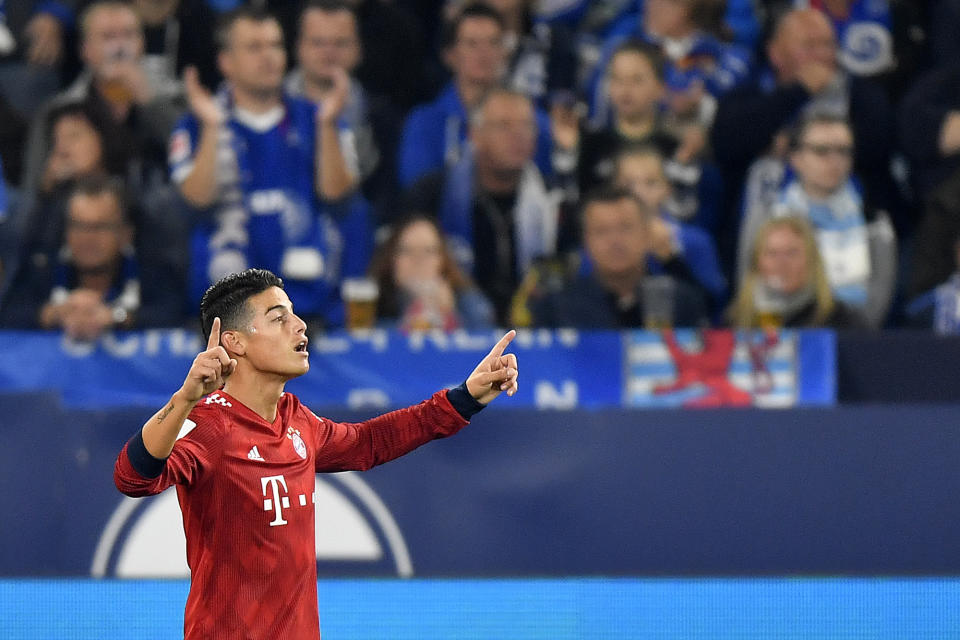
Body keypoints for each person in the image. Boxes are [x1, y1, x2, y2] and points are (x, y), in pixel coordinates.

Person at [113, 267, 519, 639]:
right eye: (278, 318)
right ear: (234, 341)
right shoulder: (208, 425)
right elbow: (132, 478)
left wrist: (465, 399)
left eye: (293, 314)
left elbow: (369, 442)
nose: (299, 325)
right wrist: (184, 398)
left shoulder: (297, 420)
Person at [169, 6, 365, 327]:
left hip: (306, 308)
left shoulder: (319, 117)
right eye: (254, 47)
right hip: (226, 311)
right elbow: (196, 200)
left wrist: (328, 124)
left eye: (275, 46)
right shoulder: (196, 124)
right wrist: (213, 127)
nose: (269, 57)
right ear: (226, 62)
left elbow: (337, 196)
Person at [402, 87, 558, 323]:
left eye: (527, 125)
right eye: (504, 126)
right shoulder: (433, 194)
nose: (518, 135)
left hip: (534, 324)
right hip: (453, 320)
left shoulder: (553, 198)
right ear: (475, 134)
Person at [738, 113, 896, 326]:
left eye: (843, 151)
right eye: (821, 151)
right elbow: (748, 289)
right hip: (776, 338)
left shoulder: (875, 222)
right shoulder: (765, 216)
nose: (835, 161)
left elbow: (875, 310)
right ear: (795, 158)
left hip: (851, 339)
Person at [22, 0, 184, 194]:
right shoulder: (58, 111)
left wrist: (149, 101)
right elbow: (30, 199)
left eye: (128, 35)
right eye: (108, 37)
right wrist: (48, 186)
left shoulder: (177, 97)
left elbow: (195, 160)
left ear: (143, 43)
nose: (119, 48)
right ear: (86, 50)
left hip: (159, 211)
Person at [396, 2, 553, 189]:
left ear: (505, 52)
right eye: (472, 44)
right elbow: (417, 191)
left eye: (493, 42)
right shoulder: (425, 122)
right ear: (450, 55)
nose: (484, 53)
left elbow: (548, 187)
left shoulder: (533, 122)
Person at [527, 185, 708, 328]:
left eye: (625, 228)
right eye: (602, 231)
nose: (615, 241)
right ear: (586, 240)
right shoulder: (557, 307)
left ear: (646, 234)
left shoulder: (682, 302)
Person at [285, 0, 401, 221]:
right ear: (298, 47)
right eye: (318, 42)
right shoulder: (272, 108)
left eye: (340, 43)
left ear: (358, 49)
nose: (329, 53)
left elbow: (385, 197)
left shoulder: (383, 118)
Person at [0, 175, 139, 337]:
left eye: (100, 227)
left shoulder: (150, 271)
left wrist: (117, 317)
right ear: (65, 231)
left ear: (125, 234)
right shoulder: (41, 267)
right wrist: (54, 314)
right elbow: (7, 313)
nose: (88, 237)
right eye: (78, 225)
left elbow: (170, 313)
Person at [728, 215, 866, 328]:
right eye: (772, 253)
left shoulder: (841, 321)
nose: (781, 263)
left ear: (812, 261)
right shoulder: (735, 321)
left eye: (791, 253)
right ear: (757, 263)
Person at [367, 214, 494, 331]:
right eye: (407, 250)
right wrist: (407, 325)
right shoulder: (372, 299)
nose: (417, 260)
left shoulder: (466, 299)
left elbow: (487, 338)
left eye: (428, 251)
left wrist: (450, 315)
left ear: (442, 260)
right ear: (392, 258)